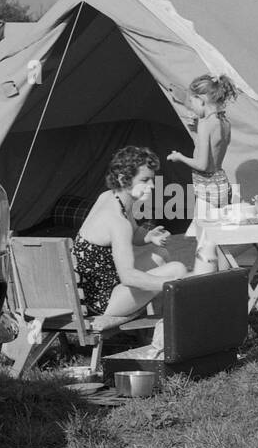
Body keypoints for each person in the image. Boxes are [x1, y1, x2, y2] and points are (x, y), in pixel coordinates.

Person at [73, 147, 187, 328]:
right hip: (101, 303)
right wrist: (174, 285)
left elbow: (133, 234)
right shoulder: (118, 222)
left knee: (159, 253)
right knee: (178, 271)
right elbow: (128, 277)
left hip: (92, 289)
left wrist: (149, 236)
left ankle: (164, 324)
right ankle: (175, 329)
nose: (152, 185)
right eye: (144, 180)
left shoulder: (110, 197)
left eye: (152, 179)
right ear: (123, 179)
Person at [166, 74, 237, 273]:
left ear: (202, 100)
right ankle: (226, 280)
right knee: (218, 239)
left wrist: (180, 157)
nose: (192, 107)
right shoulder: (224, 122)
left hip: (207, 185)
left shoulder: (207, 125)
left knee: (205, 240)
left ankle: (204, 279)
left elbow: (203, 164)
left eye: (193, 101)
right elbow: (216, 151)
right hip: (220, 183)